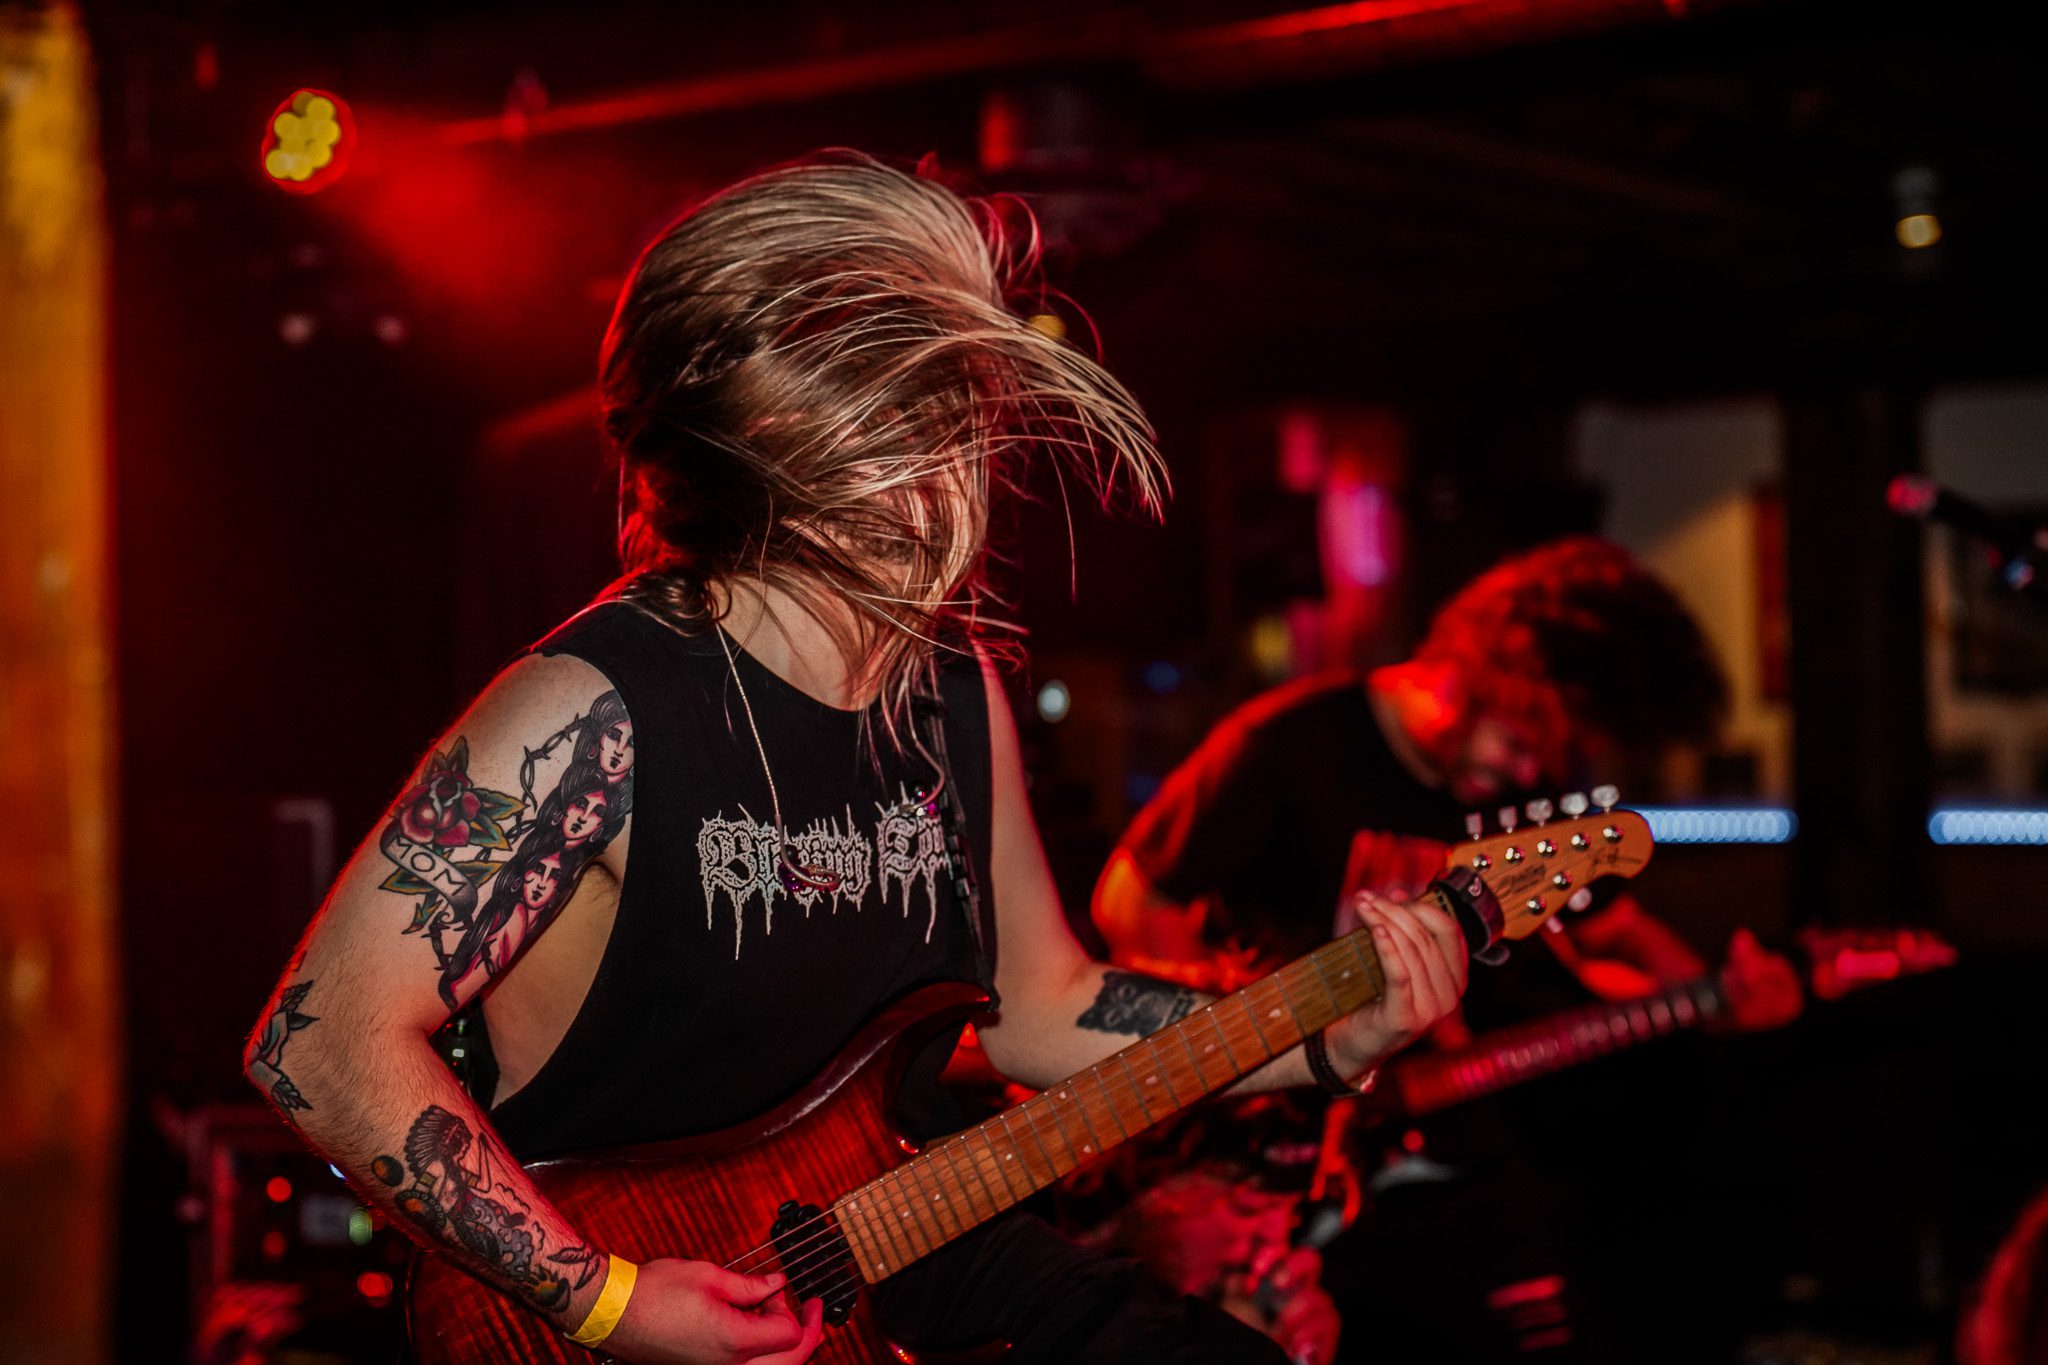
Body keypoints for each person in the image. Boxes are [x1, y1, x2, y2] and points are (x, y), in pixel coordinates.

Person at [243, 152, 1472, 1365]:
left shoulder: (949, 688)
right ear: (787, 445)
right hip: (646, 1292)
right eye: (922, 426)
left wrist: (1322, 1034)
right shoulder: (594, 710)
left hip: (900, 1237)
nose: (968, 469)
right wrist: (605, 1301)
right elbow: (319, 1040)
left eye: (960, 422)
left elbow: (1043, 1006)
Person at [1093, 536, 1803, 1359]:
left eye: (1546, 754)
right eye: (1519, 742)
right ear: (1476, 678)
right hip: (1271, 1153)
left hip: (1436, 1127)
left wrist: (1720, 994)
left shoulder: (1532, 793)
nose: (1528, 771)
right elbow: (1129, 900)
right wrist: (1234, 1050)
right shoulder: (1291, 742)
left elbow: (1614, 935)